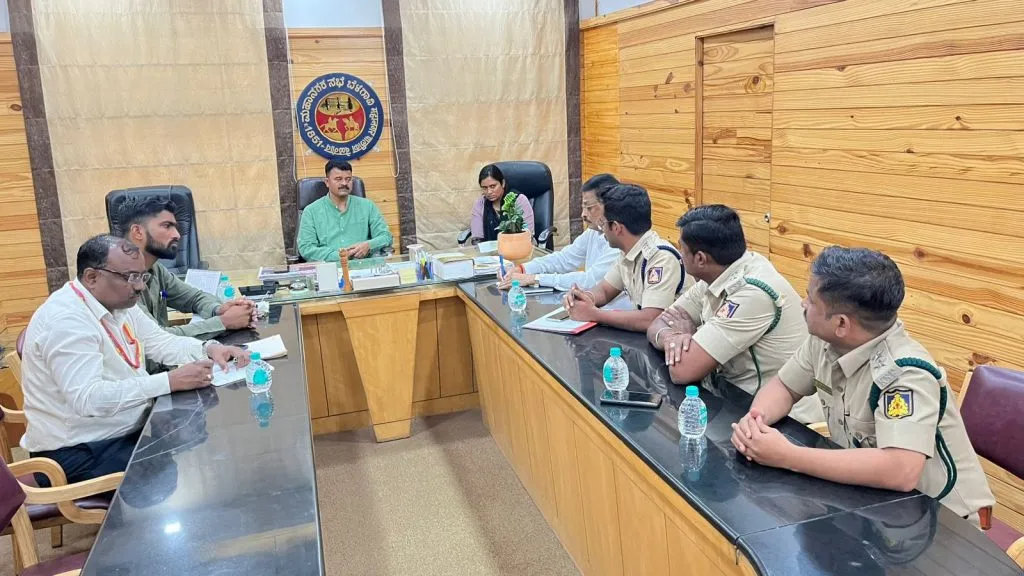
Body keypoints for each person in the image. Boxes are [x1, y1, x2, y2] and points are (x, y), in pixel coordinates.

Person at [730, 246, 995, 523]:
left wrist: (787, 456)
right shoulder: (824, 341)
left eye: (810, 298)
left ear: (841, 323)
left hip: (942, 523)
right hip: (874, 504)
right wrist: (756, 422)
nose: (802, 303)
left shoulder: (906, 374)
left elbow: (901, 470)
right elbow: (784, 387)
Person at [19, 235, 248, 484]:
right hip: (79, 450)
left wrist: (209, 348)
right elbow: (88, 399)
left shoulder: (119, 303)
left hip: (122, 431)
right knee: (175, 480)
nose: (139, 286)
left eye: (142, 276)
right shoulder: (66, 321)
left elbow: (160, 342)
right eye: (130, 277)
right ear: (92, 277)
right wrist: (169, 381)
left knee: (202, 445)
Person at [645, 205, 823, 423]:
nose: (679, 254)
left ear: (700, 258)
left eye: (681, 249)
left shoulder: (752, 292)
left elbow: (682, 371)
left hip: (784, 421)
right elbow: (657, 323)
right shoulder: (719, 272)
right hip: (735, 402)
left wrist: (688, 340)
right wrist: (672, 337)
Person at [117, 195, 254, 340]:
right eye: (166, 226)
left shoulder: (155, 269)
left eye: (175, 227)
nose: (177, 235)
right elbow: (157, 340)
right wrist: (225, 322)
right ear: (138, 232)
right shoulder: (117, 281)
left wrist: (218, 310)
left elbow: (194, 298)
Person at [562, 183, 692, 333]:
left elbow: (651, 319)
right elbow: (605, 290)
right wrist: (584, 298)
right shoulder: (627, 251)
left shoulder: (661, 258)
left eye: (603, 223)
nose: (601, 228)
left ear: (616, 228)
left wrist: (594, 314)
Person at [497, 173, 620, 291]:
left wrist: (534, 279)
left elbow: (589, 281)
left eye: (589, 208)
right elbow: (565, 259)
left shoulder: (620, 239)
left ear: (608, 205)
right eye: (583, 207)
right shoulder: (594, 231)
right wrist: (523, 269)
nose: (583, 214)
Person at [298, 159, 393, 261]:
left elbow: (386, 236)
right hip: (329, 269)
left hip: (363, 268)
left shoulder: (367, 206)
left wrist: (369, 245)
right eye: (338, 179)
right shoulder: (311, 211)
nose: (344, 183)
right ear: (327, 182)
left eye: (348, 179)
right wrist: (339, 255)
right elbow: (306, 248)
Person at [470, 164, 535, 243]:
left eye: (493, 186)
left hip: (518, 249)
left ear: (503, 183)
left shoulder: (519, 200)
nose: (489, 192)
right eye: (484, 188)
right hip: (490, 253)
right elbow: (477, 239)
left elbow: (528, 236)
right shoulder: (480, 204)